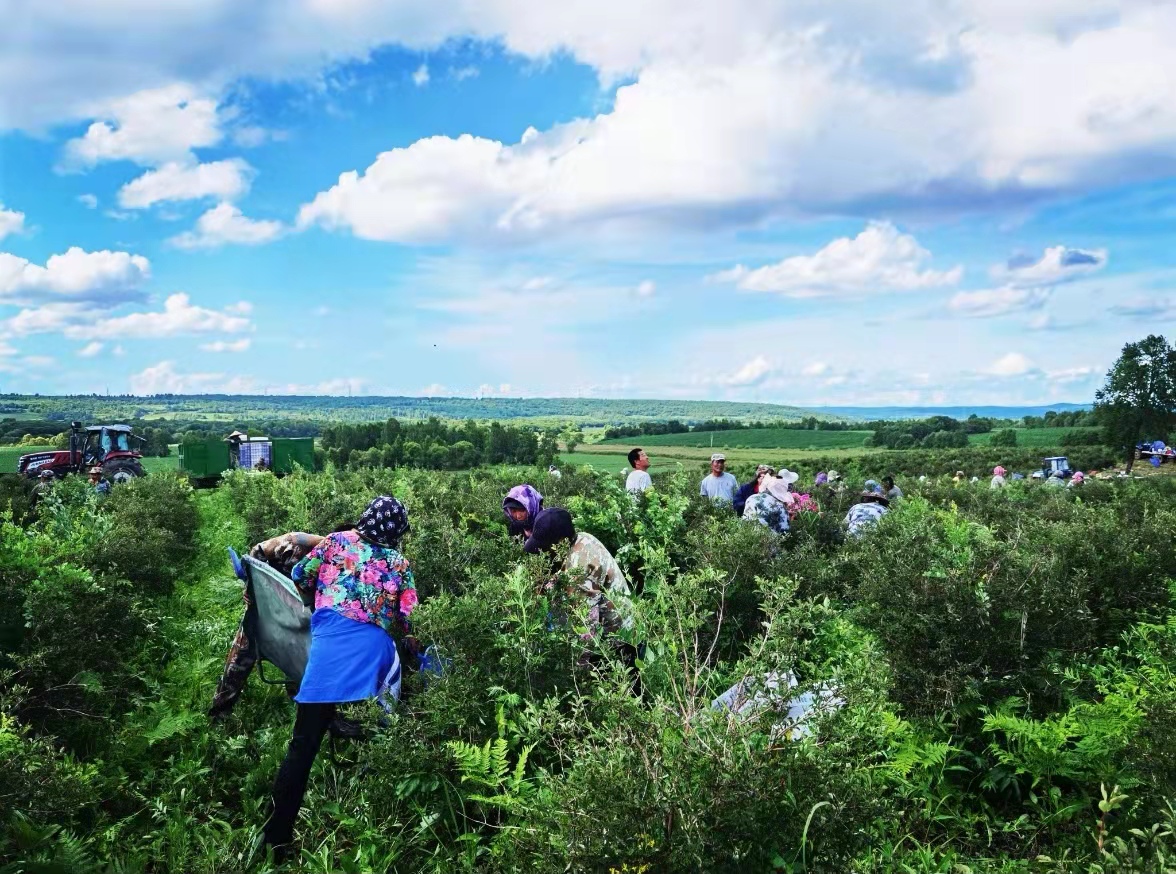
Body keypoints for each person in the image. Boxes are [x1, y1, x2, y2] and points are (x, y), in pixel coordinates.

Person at [263, 497, 417, 854]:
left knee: (302, 747)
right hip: (372, 657)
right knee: (385, 731)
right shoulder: (398, 562)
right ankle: (385, 825)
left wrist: (319, 602)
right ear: (396, 530)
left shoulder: (334, 542)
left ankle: (276, 838)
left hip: (327, 654)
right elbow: (410, 621)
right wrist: (411, 647)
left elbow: (300, 575)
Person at [209, 531, 329, 720]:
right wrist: (251, 586)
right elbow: (256, 554)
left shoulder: (343, 561)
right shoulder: (299, 542)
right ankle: (218, 716)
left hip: (300, 618)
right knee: (240, 658)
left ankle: (302, 708)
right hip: (267, 610)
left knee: (302, 657)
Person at [523, 508, 639, 686]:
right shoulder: (581, 538)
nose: (543, 554)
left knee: (626, 692)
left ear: (560, 542)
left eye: (545, 548)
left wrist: (578, 680)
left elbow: (586, 633)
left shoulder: (579, 572)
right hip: (621, 625)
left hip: (621, 641)